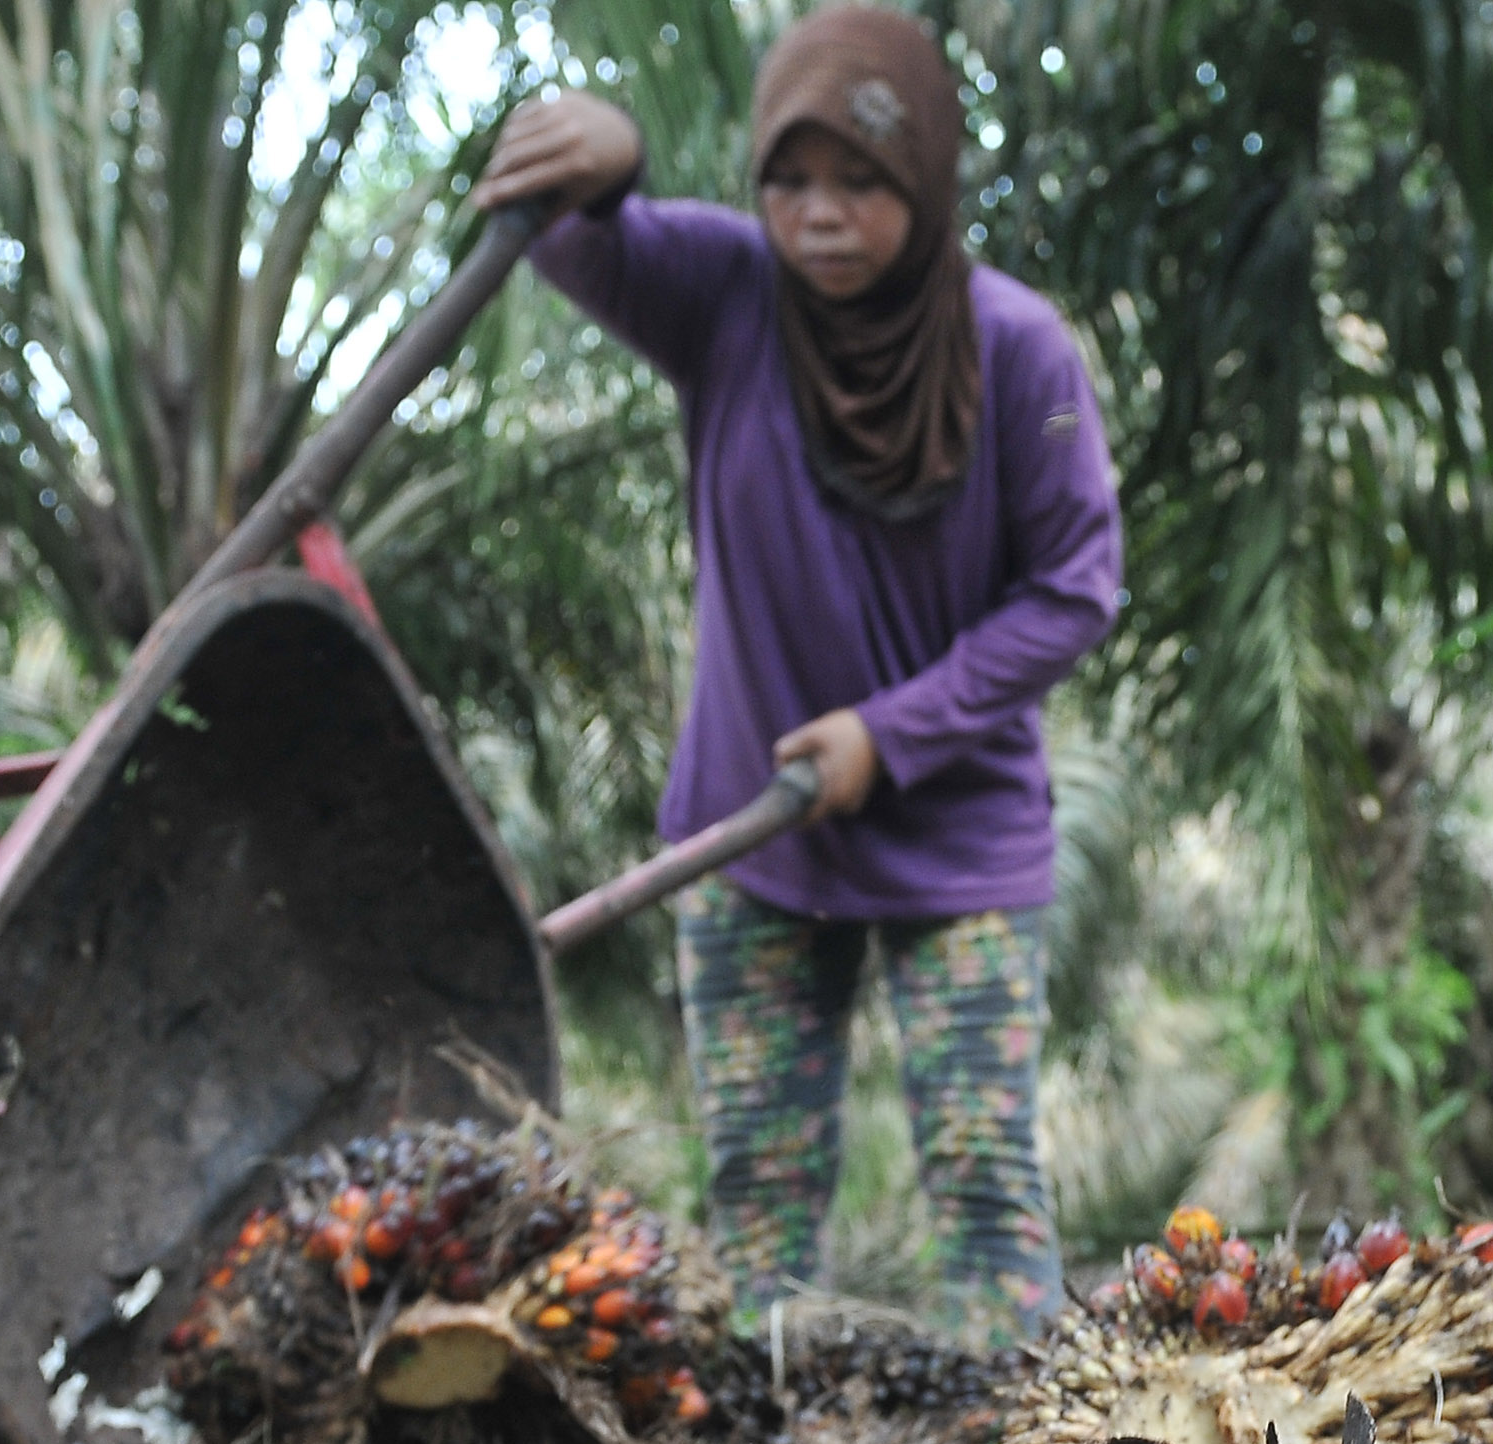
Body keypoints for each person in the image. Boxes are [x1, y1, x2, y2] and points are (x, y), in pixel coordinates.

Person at [472, 9, 1122, 1352]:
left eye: (863, 183)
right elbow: (560, 231)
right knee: (759, 1204)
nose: (821, 216)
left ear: (928, 180)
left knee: (988, 1187)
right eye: (791, 179)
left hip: (961, 845)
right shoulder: (725, 294)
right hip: (749, 834)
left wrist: (891, 735)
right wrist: (613, 154)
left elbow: (1075, 589)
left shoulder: (1017, 350)